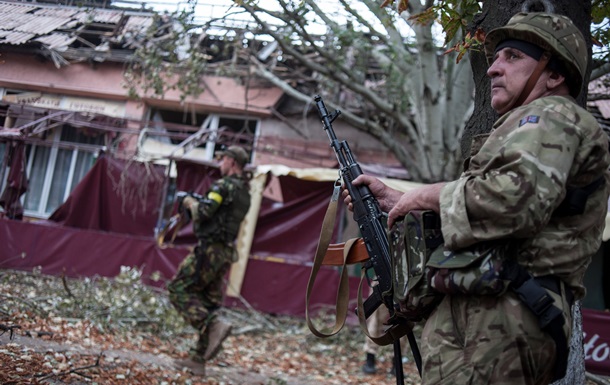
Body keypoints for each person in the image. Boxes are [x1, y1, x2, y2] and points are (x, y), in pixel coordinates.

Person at [344, 12, 610, 385]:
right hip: (484, 317)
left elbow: (514, 202)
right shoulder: (524, 127)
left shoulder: (553, 115)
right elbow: (484, 211)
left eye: (513, 57)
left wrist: (426, 194)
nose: (493, 69)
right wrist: (397, 200)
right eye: (495, 58)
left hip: (503, 316)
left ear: (554, 74)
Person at [169, 145, 251, 376]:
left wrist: (188, 202)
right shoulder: (245, 192)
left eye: (223, 159)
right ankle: (197, 361)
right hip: (225, 253)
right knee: (207, 302)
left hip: (209, 251)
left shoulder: (222, 186)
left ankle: (213, 326)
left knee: (178, 289)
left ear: (232, 162)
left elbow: (204, 212)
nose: (220, 163)